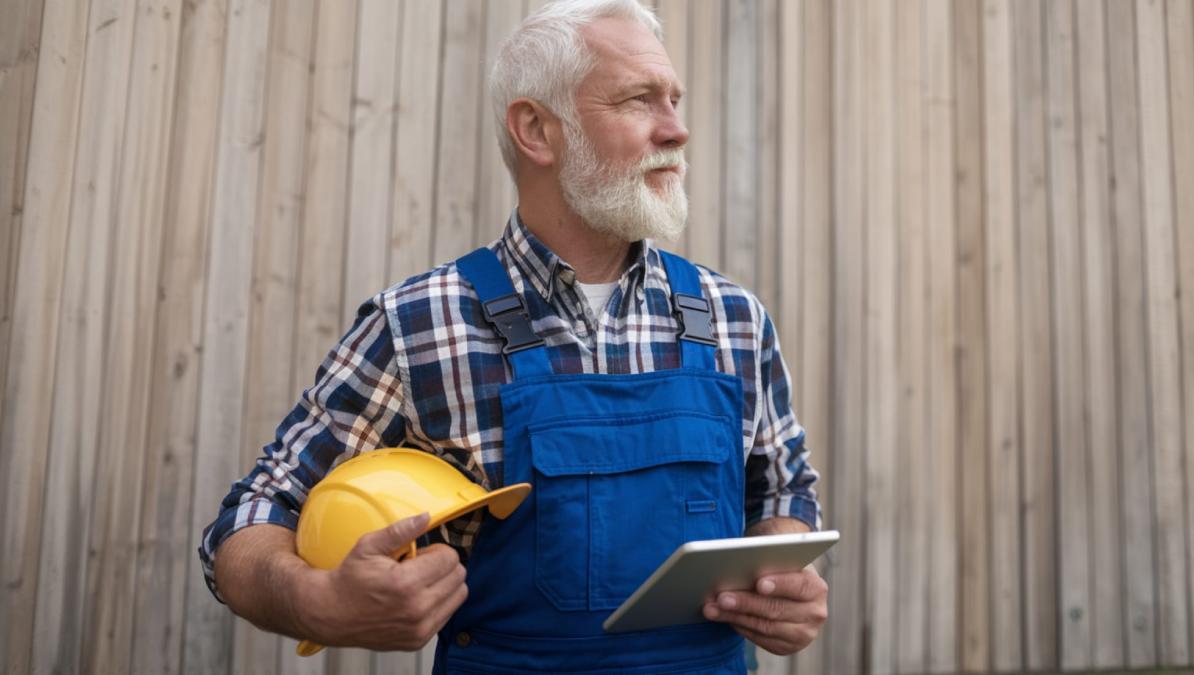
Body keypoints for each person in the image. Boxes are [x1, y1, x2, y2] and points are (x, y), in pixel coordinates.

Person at [199, 0, 826, 671]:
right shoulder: (419, 325)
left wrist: (783, 583)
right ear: (537, 130)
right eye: (641, 100)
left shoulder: (733, 317)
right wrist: (315, 601)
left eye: (674, 98)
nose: (678, 130)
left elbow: (782, 495)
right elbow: (250, 520)